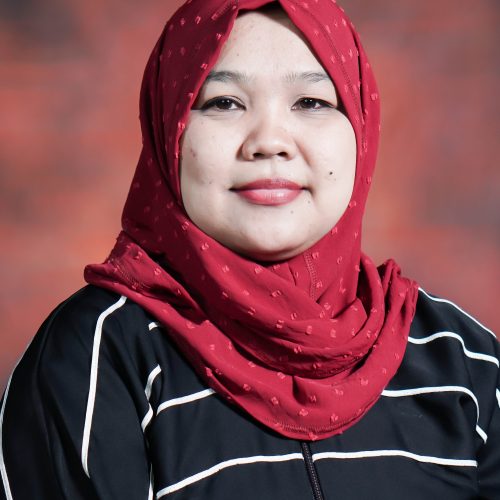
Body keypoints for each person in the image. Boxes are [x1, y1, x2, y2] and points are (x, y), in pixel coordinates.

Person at [1, 0, 498, 498]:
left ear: (361, 127)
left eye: (311, 102)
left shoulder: (465, 360)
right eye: (224, 103)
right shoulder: (97, 356)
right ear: (168, 131)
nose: (269, 141)